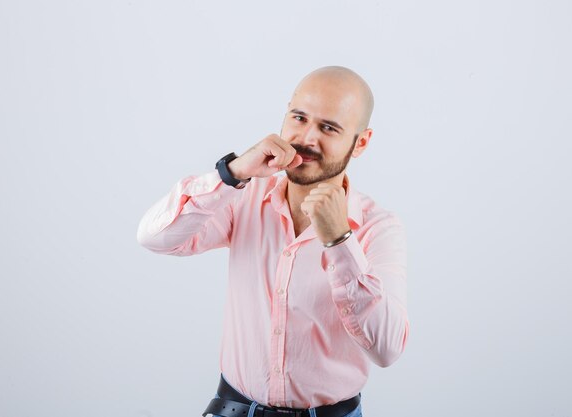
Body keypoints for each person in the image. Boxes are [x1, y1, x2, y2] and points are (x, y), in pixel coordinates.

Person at [136, 66, 409, 417]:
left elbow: (387, 349)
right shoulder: (243, 196)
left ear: (362, 142)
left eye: (329, 127)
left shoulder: (379, 228)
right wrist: (231, 173)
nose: (307, 137)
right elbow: (154, 237)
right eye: (299, 118)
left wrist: (340, 241)